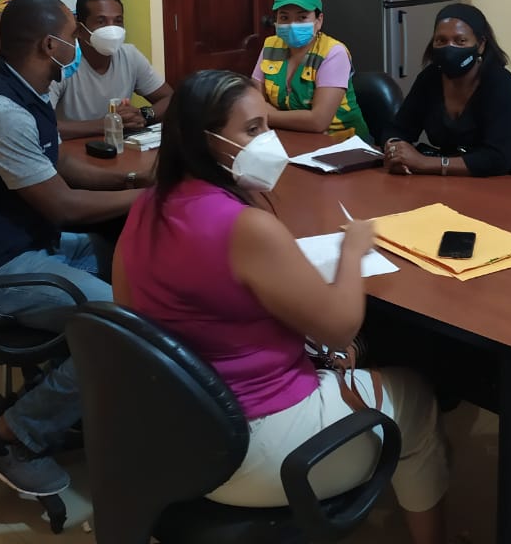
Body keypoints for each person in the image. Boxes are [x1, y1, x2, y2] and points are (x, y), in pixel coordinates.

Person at [113, 70, 450, 544]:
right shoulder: (244, 227)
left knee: (349, 358)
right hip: (256, 448)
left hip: (180, 433)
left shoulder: (147, 206)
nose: (269, 141)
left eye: (267, 124)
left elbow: (133, 320)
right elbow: (340, 326)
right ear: (206, 140)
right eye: (252, 129)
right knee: (416, 396)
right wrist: (353, 250)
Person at [0, 0, 145, 497]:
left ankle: (83, 386)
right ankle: (7, 439)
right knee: (125, 325)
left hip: (28, 241)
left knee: (134, 258)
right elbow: (62, 205)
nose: (79, 44)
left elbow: (58, 164)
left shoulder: (30, 89)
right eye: (73, 35)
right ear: (50, 45)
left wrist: (134, 178)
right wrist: (149, 198)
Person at [382, 3, 511, 178]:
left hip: (510, 182)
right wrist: (396, 151)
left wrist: (423, 162)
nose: (449, 48)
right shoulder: (430, 78)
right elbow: (398, 129)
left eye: (460, 41)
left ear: (480, 45)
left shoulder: (501, 85)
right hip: (455, 181)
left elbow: (497, 159)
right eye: (441, 40)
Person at [51, 0, 173, 140]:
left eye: (118, 21)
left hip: (119, 146)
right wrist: (106, 124)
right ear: (80, 29)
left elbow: (171, 99)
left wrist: (144, 114)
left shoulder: (130, 55)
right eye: (101, 21)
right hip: (72, 149)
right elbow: (43, 125)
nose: (112, 29)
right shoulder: (62, 62)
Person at [252, 0, 370, 139]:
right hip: (290, 137)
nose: (292, 25)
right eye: (284, 17)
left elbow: (318, 121)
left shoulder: (333, 52)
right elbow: (254, 100)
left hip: (341, 142)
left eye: (302, 17)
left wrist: (265, 115)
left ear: (318, 21)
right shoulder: (270, 45)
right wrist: (262, 112)